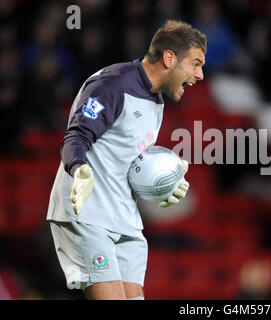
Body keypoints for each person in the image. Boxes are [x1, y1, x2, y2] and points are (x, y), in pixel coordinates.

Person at [46, 20, 206, 300]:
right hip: (89, 213)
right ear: (169, 58)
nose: (200, 74)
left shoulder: (156, 100)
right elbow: (77, 136)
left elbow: (130, 159)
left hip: (126, 220)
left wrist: (165, 182)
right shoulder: (113, 84)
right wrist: (79, 169)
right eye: (195, 63)